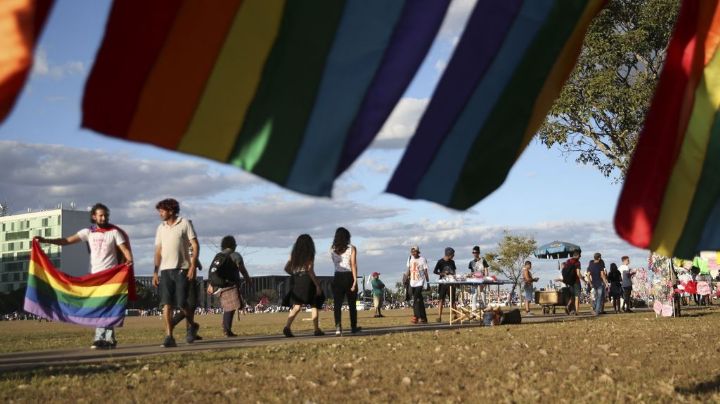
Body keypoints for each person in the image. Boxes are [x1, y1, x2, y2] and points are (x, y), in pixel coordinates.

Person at [36, 203, 133, 349]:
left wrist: (129, 260)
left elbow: (124, 249)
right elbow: (66, 241)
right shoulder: (88, 232)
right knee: (98, 306)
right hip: (94, 276)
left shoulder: (114, 232)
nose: (103, 217)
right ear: (94, 216)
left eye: (105, 215)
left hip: (111, 276)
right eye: (100, 215)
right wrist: (45, 240)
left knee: (106, 307)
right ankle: (104, 339)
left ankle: (104, 339)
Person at [153, 198, 200, 348]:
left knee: (181, 303)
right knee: (166, 304)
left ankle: (192, 325)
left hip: (182, 268)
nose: (160, 214)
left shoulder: (184, 223)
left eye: (162, 211)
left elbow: (195, 244)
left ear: (171, 211)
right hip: (165, 270)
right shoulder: (161, 228)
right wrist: (155, 271)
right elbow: (158, 251)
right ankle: (169, 336)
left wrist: (192, 266)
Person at [206, 235, 252, 337]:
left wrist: (211, 284)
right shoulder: (235, 255)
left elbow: (214, 271)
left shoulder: (218, 255)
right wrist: (248, 279)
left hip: (219, 285)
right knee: (231, 307)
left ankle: (227, 328)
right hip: (230, 284)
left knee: (230, 307)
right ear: (233, 245)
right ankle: (226, 329)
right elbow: (242, 269)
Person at [283, 234, 324, 337]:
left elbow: (286, 268)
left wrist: (294, 274)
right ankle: (316, 329)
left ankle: (287, 326)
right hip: (307, 280)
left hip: (297, 279)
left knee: (297, 306)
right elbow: (310, 270)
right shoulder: (310, 254)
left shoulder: (293, 254)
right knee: (314, 304)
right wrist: (317, 284)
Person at [330, 227, 361, 336]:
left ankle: (338, 327)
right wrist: (355, 281)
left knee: (337, 304)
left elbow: (335, 263)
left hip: (337, 276)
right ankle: (353, 326)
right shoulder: (352, 248)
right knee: (352, 304)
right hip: (348, 276)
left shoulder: (332, 249)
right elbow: (353, 264)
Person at [406, 246, 429, 324]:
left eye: (414, 251)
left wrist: (428, 283)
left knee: (416, 299)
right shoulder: (410, 258)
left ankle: (416, 316)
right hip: (412, 282)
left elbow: (426, 271)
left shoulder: (422, 259)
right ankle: (423, 318)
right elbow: (408, 270)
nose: (413, 253)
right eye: (412, 252)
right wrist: (406, 278)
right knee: (419, 300)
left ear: (418, 251)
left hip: (420, 281)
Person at [434, 247, 457, 323]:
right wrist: (443, 273)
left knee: (453, 300)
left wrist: (453, 276)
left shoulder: (452, 262)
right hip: (443, 283)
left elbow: (454, 272)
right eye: (452, 254)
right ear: (448, 254)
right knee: (441, 300)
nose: (453, 256)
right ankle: (439, 317)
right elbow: (435, 271)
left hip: (451, 283)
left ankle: (455, 315)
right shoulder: (440, 262)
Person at [468, 245, 490, 311]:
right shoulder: (471, 262)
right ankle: (473, 310)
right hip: (474, 280)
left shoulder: (483, 260)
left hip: (482, 280)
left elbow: (486, 270)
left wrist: (486, 280)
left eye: (476, 252)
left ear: (479, 253)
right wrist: (470, 275)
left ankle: (484, 309)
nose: (475, 254)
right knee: (474, 294)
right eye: (473, 252)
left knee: (483, 293)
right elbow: (472, 272)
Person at [563, 250, 583, 315]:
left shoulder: (568, 261)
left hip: (570, 282)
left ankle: (567, 306)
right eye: (579, 255)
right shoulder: (577, 262)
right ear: (577, 256)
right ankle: (576, 311)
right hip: (576, 281)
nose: (580, 257)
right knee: (577, 296)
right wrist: (584, 280)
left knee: (572, 296)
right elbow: (578, 273)